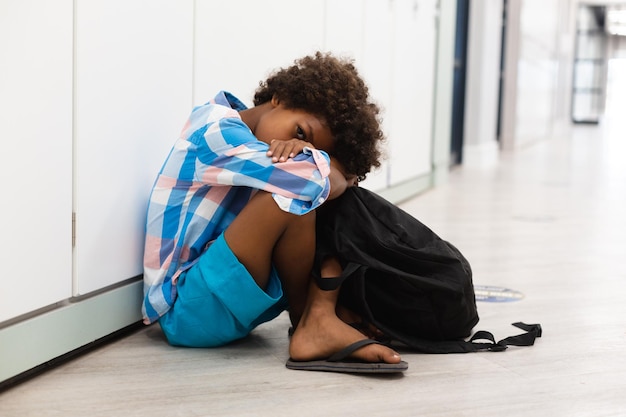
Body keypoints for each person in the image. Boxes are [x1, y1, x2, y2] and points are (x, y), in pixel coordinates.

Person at [142, 52, 405, 372]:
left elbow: (311, 181)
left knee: (315, 203)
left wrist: (317, 160)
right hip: (183, 310)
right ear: (280, 98)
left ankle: (318, 315)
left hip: (223, 299)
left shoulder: (254, 143)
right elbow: (306, 180)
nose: (293, 147)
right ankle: (310, 319)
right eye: (300, 135)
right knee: (289, 195)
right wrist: (335, 171)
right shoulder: (214, 131)